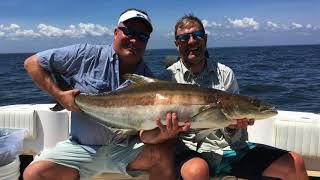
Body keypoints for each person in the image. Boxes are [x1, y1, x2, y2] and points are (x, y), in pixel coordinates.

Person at [23, 8, 190, 180]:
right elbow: (32, 63)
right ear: (116, 32)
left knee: (164, 152)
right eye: (129, 32)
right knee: (33, 174)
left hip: (124, 149)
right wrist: (59, 95)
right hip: (81, 148)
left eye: (142, 37)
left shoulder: (148, 81)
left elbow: (143, 133)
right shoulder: (86, 55)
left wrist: (164, 134)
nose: (134, 40)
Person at [159, 14, 308, 180]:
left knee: (295, 163)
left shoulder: (225, 73)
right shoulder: (168, 79)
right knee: (197, 171)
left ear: (205, 39)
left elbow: (233, 126)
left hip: (230, 149)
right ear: (177, 44)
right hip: (190, 151)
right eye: (184, 37)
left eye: (197, 35)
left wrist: (235, 126)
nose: (192, 41)